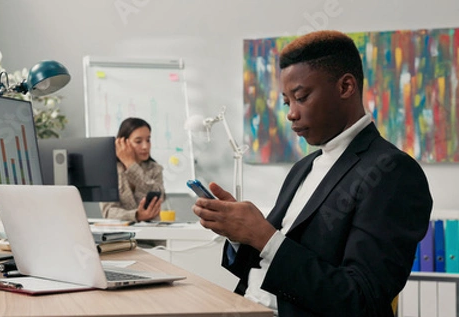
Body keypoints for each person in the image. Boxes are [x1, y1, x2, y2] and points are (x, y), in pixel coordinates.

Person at [192, 30, 432, 316]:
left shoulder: (393, 172)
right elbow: (267, 266)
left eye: (301, 97)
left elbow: (361, 299)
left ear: (345, 87)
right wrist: (238, 234)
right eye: (286, 102)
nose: (291, 113)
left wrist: (265, 236)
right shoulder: (303, 168)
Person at [100, 117, 164, 221]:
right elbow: (108, 212)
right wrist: (137, 215)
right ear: (123, 143)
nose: (145, 146)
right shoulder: (110, 171)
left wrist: (131, 165)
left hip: (151, 234)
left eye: (148, 140)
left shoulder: (155, 169)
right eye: (138, 141)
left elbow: (158, 195)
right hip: (120, 234)